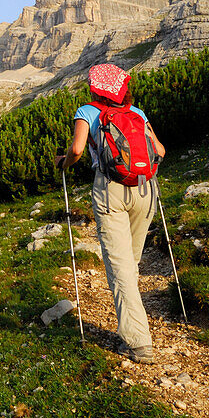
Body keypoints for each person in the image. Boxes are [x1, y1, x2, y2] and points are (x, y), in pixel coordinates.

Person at [55, 63, 166, 364]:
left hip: (110, 189)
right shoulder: (138, 114)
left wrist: (64, 163)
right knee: (129, 262)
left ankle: (138, 342)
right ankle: (135, 319)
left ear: (95, 88)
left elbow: (77, 150)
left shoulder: (87, 111)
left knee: (119, 267)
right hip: (146, 189)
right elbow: (161, 151)